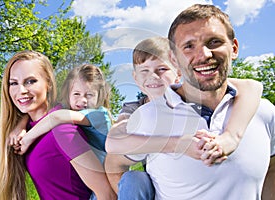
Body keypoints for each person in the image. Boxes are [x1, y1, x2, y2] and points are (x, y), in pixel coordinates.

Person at [105, 35, 265, 199]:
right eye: (144, 71)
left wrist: (230, 137)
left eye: (162, 69)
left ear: (179, 72)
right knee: (134, 179)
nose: (153, 76)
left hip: (185, 183)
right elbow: (114, 141)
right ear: (135, 78)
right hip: (151, 188)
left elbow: (251, 86)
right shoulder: (134, 109)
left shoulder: (194, 99)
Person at [0, 50, 116, 200]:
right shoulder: (26, 129)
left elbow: (107, 195)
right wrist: (20, 125)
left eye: (31, 81)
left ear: (48, 83)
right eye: (14, 83)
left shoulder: (63, 130)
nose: (21, 90)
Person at [12, 64, 111, 164]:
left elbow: (56, 117)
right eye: (76, 94)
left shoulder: (98, 115)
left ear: (99, 96)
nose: (83, 100)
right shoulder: (70, 110)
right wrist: (20, 127)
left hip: (102, 172)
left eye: (90, 95)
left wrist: (27, 139)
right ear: (68, 95)